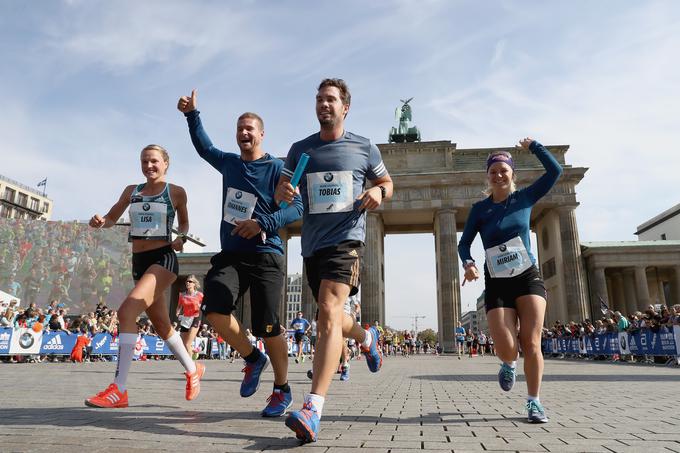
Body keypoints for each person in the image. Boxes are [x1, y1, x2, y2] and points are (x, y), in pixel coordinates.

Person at [275, 78, 392, 443]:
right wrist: (284, 190)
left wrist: (377, 190)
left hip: (346, 241)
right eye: (319, 99)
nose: (324, 104)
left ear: (345, 107)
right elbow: (283, 194)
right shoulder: (300, 150)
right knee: (334, 317)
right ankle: (366, 337)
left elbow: (388, 183)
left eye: (331, 99)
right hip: (313, 246)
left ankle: (313, 407)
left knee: (327, 310)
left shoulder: (364, 147)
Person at [177, 89, 303, 417]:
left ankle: (281, 388)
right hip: (232, 254)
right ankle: (252, 357)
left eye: (249, 128)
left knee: (268, 325)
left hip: (266, 253)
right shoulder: (230, 164)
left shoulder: (278, 168)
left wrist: (262, 223)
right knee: (214, 308)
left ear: (261, 134)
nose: (244, 133)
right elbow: (205, 147)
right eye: (239, 128)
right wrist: (193, 115)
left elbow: (297, 208)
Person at [84, 144, 205, 409]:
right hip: (139, 263)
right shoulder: (132, 191)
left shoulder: (176, 192)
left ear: (165, 164)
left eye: (154, 161)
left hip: (163, 259)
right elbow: (112, 217)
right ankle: (192, 369)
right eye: (144, 162)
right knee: (162, 326)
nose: (149, 166)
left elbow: (184, 223)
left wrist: (181, 237)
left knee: (127, 312)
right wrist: (100, 222)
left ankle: (120, 389)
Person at [458, 137, 562, 423]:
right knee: (507, 345)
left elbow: (555, 172)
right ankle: (508, 363)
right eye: (493, 171)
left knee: (531, 341)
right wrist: (468, 263)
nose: (499, 175)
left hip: (528, 276)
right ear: (488, 177)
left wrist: (536, 147)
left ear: (512, 173)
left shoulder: (525, 198)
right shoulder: (480, 209)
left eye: (504, 170)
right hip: (497, 280)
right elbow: (464, 244)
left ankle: (534, 401)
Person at [176, 275, 204, 355]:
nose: (188, 283)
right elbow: (179, 306)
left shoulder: (200, 295)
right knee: (183, 344)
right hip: (185, 318)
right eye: (187, 281)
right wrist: (177, 312)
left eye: (190, 281)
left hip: (195, 318)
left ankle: (191, 366)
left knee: (188, 343)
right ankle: (195, 350)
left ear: (194, 284)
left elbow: (205, 304)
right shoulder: (182, 295)